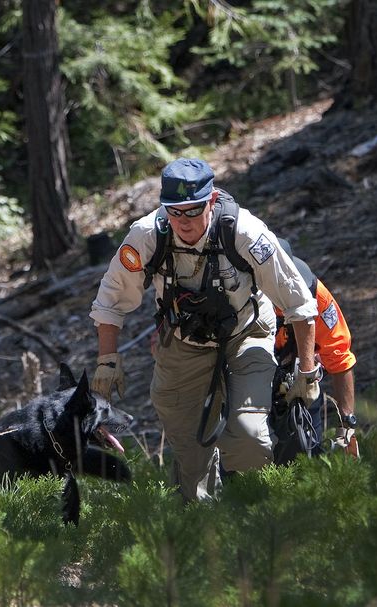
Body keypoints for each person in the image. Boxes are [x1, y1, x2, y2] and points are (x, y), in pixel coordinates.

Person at [90, 158, 319, 500]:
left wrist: (307, 372)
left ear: (211, 201)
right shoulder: (147, 236)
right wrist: (108, 360)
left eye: (193, 210)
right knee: (190, 452)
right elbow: (110, 300)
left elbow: (300, 305)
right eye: (175, 211)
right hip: (183, 340)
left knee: (247, 437)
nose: (183, 221)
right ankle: (206, 525)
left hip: (247, 331)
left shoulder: (244, 232)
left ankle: (257, 510)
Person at [273, 239, 359, 458]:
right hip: (246, 388)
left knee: (304, 462)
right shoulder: (241, 293)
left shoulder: (313, 293)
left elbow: (339, 356)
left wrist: (346, 428)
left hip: (301, 389)